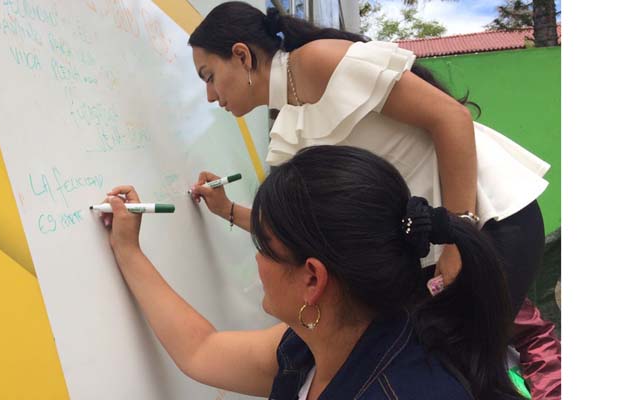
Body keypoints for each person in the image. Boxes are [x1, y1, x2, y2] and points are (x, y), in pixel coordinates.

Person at [186, 3, 560, 397]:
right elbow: (302, 228)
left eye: (209, 77)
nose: (210, 96)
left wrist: (457, 233)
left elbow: (452, 118)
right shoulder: (289, 116)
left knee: (460, 369)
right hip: (434, 240)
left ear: (242, 55)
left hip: (490, 222)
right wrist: (227, 211)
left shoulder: (317, 61)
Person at [100, 145, 526, 400]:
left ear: (312, 279)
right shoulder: (326, 342)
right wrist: (128, 249)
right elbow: (201, 350)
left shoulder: (407, 386)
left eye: (263, 247)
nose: (256, 260)